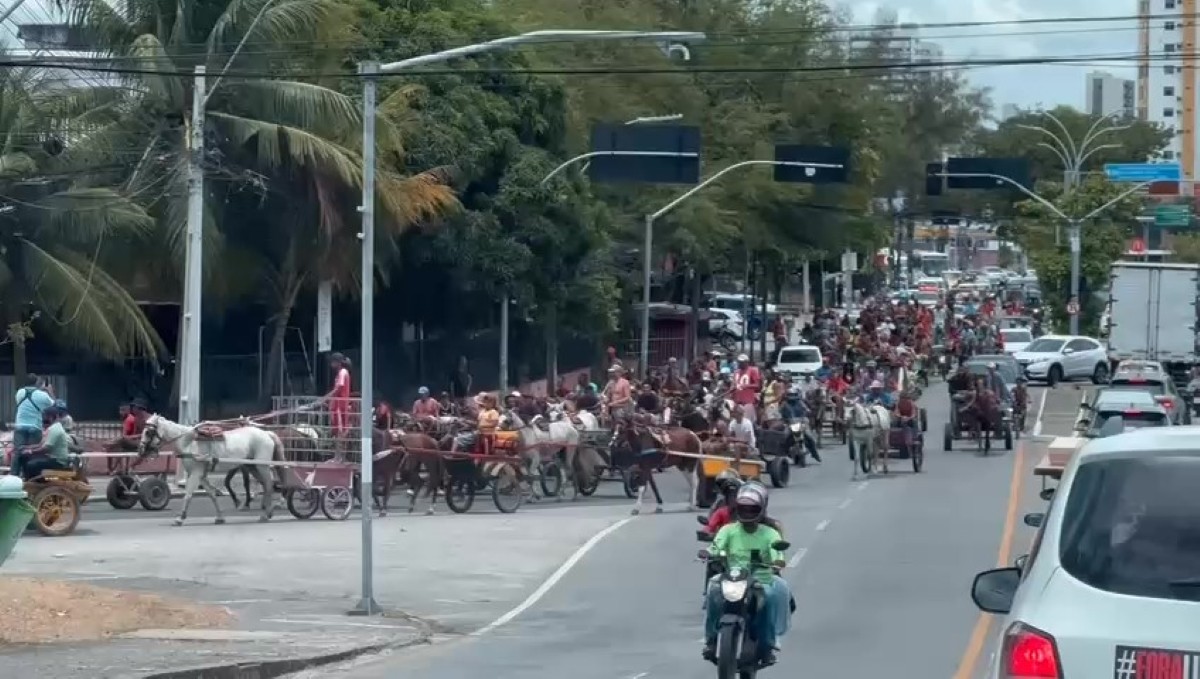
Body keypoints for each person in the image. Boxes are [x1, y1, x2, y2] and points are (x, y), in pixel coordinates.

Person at [703, 483, 792, 665]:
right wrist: (710, 553)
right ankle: (711, 639)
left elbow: (777, 551)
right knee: (712, 588)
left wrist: (777, 560)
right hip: (732, 577)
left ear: (761, 509)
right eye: (744, 508)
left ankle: (770, 642)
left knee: (774, 593)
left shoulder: (770, 533)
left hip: (762, 579)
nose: (748, 512)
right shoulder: (728, 530)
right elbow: (716, 545)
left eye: (753, 509)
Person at [16, 402, 73, 480]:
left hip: (58, 461)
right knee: (23, 457)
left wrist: (31, 451)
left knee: (31, 464)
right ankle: (29, 480)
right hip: (51, 458)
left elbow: (46, 448)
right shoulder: (51, 428)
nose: (45, 419)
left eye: (47, 416)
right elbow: (41, 444)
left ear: (54, 417)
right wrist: (26, 447)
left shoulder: (56, 429)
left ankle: (38, 482)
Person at [12, 374, 52, 453]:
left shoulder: (19, 392)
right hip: (35, 426)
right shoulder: (42, 395)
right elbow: (54, 405)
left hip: (20, 425)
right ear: (37, 382)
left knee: (17, 452)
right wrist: (49, 391)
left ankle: (16, 465)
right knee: (32, 453)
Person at [701, 469, 744, 535]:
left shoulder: (746, 503)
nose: (728, 488)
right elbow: (711, 524)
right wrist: (708, 528)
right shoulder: (719, 505)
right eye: (722, 483)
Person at [732, 354, 762, 423]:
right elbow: (734, 384)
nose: (740, 363)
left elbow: (757, 385)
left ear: (746, 362)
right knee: (737, 422)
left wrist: (746, 386)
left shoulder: (752, 370)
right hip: (737, 401)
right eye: (739, 362)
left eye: (742, 362)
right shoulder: (736, 372)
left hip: (747, 402)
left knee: (747, 422)